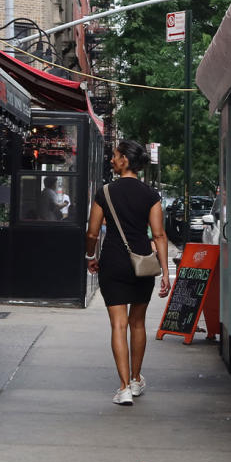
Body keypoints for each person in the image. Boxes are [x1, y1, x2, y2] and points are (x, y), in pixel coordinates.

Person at [86, 139, 172, 406]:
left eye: (115, 156)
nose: (112, 159)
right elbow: (158, 235)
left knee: (118, 324)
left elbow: (92, 232)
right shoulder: (150, 195)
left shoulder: (105, 192)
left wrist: (90, 255)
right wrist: (166, 272)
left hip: (112, 261)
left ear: (124, 160)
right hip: (142, 263)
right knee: (137, 323)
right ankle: (135, 380)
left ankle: (122, 387)